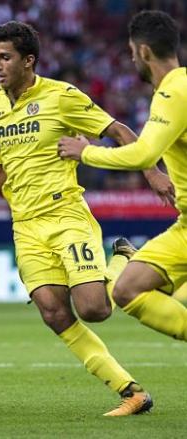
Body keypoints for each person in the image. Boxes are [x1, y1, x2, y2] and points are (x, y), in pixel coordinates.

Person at [0, 21, 172, 416]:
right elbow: (4, 169)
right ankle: (131, 391)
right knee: (53, 313)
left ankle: (122, 257)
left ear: (28, 61)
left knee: (95, 309)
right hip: (25, 226)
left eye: (5, 58)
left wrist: (153, 172)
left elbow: (119, 131)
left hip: (65, 214)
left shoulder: (62, 97)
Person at [58, 11, 186, 357]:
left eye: (132, 52)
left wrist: (86, 153)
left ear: (143, 52)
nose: (131, 59)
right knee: (128, 288)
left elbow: (143, 154)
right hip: (185, 227)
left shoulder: (173, 92)